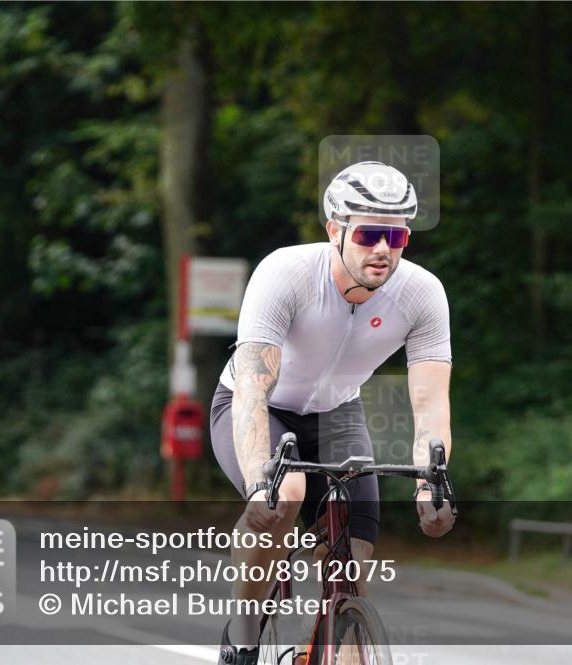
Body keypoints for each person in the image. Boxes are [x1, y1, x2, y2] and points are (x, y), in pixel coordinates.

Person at [210, 161, 456, 664]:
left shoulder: (422, 294)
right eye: (368, 234)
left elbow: (430, 404)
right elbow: (254, 390)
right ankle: (241, 639)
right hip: (258, 406)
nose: (383, 249)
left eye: (397, 236)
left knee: (352, 564)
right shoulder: (286, 273)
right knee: (285, 494)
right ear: (335, 230)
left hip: (337, 415)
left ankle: (330, 642)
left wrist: (431, 484)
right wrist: (262, 480)